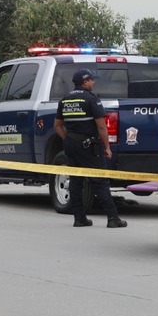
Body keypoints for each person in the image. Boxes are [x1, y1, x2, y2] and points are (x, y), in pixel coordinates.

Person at [54, 68, 127, 228]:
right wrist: (107, 147)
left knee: (75, 181)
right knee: (100, 181)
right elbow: (101, 126)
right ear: (85, 81)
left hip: (70, 144)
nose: (94, 82)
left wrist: (68, 139)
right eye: (92, 80)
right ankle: (113, 218)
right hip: (88, 145)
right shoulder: (91, 99)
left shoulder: (65, 100)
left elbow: (58, 126)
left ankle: (79, 218)